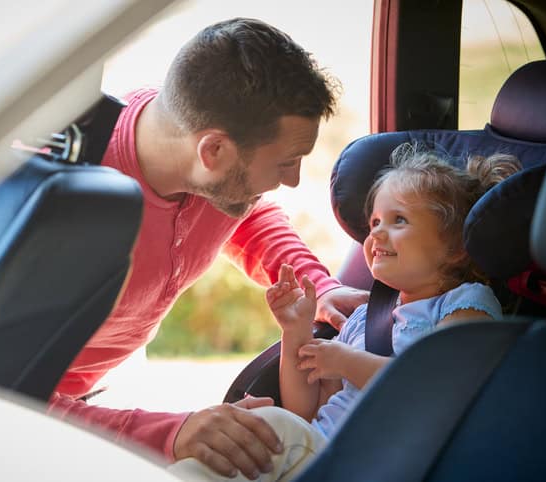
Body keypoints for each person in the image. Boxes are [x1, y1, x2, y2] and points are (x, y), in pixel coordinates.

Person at [46, 17, 369, 479]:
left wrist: (314, 282)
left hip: (85, 402)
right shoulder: (57, 207)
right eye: (285, 162)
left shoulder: (212, 174)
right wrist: (172, 433)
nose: (293, 180)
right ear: (213, 151)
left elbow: (244, 213)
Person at [167, 143, 521, 480]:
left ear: (457, 247)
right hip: (318, 450)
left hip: (376, 461)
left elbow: (442, 389)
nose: (377, 234)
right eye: (375, 223)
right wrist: (297, 334)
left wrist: (346, 361)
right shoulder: (365, 318)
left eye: (399, 220)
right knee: (247, 429)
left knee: (267, 430)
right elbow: (306, 410)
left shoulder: (465, 303)